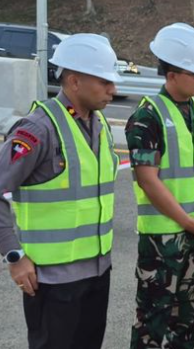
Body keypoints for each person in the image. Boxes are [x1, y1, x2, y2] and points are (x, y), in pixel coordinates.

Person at [0, 34, 121, 349]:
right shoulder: (38, 129)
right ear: (74, 81)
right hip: (53, 281)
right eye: (104, 81)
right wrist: (15, 256)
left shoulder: (100, 124)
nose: (113, 90)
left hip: (97, 273)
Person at [126, 23, 194, 349]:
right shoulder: (147, 116)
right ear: (170, 74)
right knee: (153, 322)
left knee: (188, 319)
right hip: (161, 243)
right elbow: (147, 179)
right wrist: (187, 221)